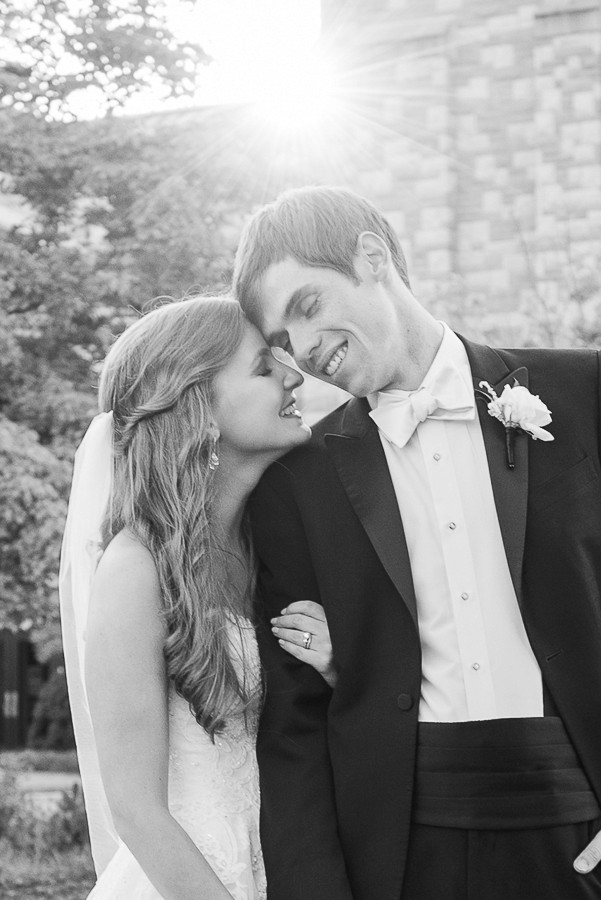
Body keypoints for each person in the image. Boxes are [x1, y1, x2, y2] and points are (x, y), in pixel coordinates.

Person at [232, 186, 601, 900]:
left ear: (372, 257)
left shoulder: (585, 393)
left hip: (579, 826)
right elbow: (294, 724)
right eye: (279, 340)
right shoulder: (295, 482)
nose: (303, 350)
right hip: (398, 856)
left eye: (305, 307)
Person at [59, 295, 336, 900]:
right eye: (265, 368)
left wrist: (339, 667)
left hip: (284, 868)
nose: (295, 375)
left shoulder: (272, 544)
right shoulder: (136, 570)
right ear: (199, 409)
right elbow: (134, 809)